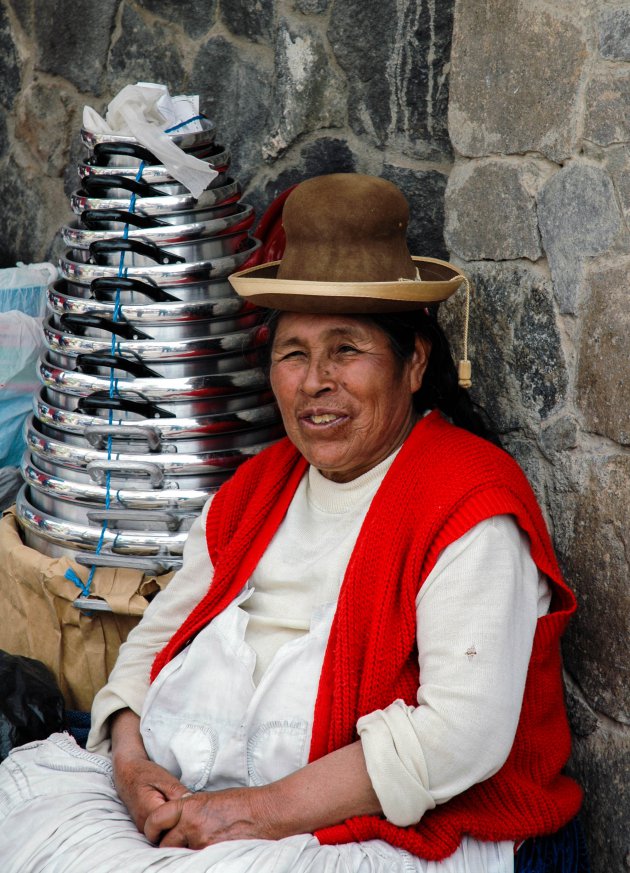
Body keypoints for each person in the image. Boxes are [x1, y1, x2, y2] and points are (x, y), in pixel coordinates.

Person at [0, 174, 583, 873]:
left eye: (346, 349)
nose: (315, 381)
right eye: (294, 352)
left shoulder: (469, 502)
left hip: (367, 830)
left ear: (414, 361)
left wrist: (251, 811)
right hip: (198, 797)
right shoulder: (257, 487)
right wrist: (130, 762)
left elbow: (461, 733)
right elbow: (153, 641)